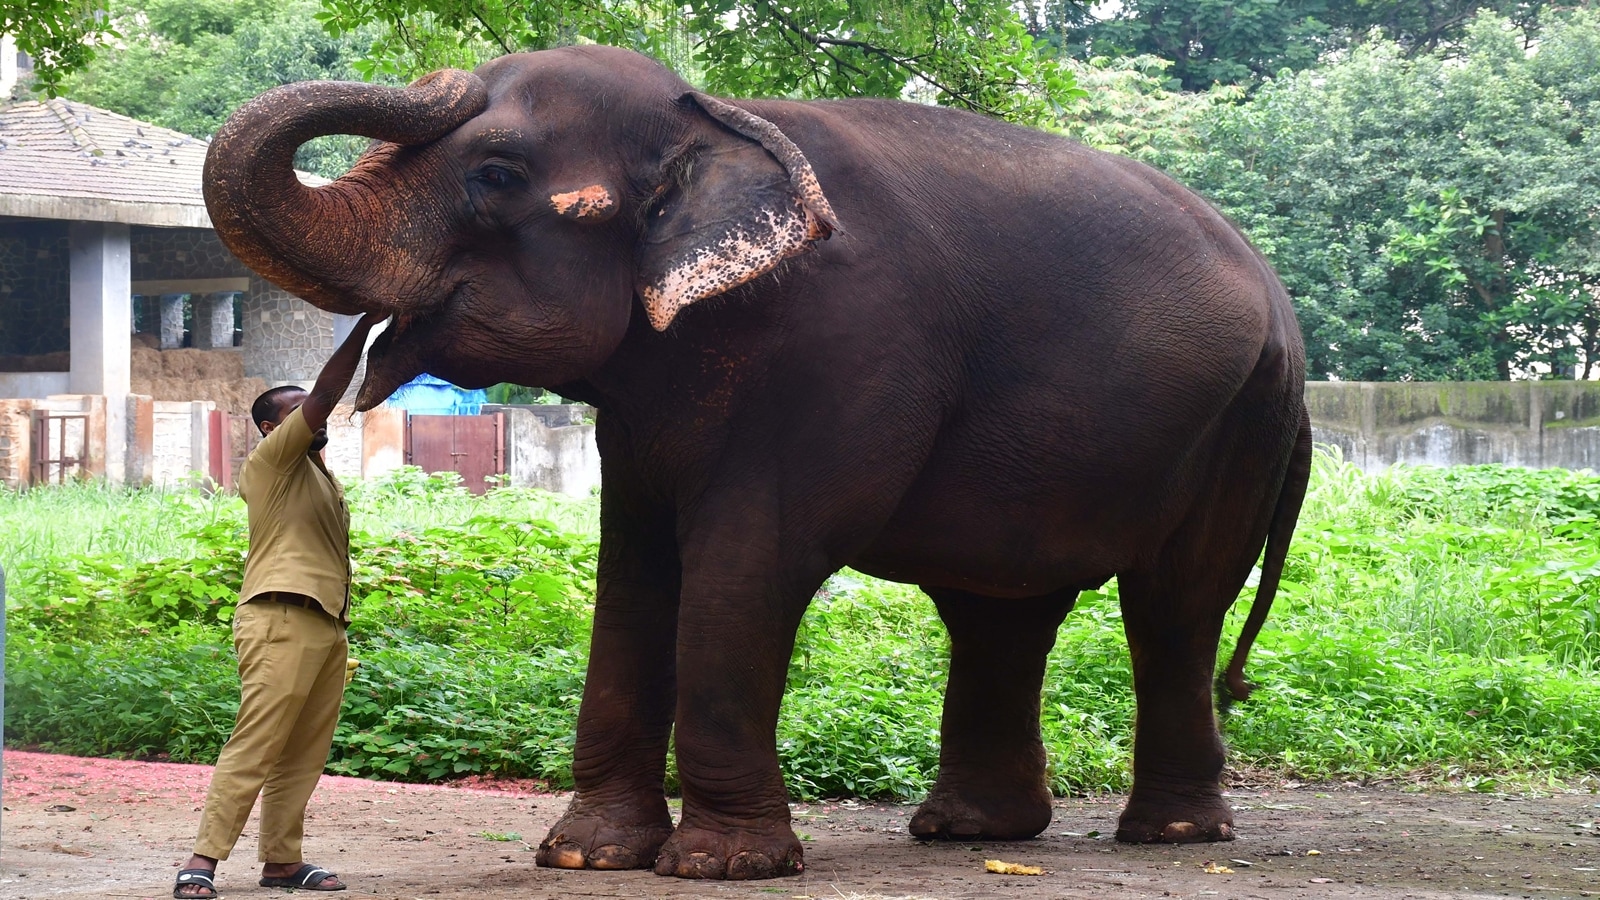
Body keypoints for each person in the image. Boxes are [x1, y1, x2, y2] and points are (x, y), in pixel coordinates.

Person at [173, 313, 383, 898]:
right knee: (257, 741)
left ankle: (282, 863)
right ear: (271, 427)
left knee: (303, 753)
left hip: (325, 623)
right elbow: (325, 393)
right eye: (294, 412)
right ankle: (202, 860)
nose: (311, 415)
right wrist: (361, 329)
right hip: (280, 617)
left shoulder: (320, 476)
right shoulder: (273, 464)